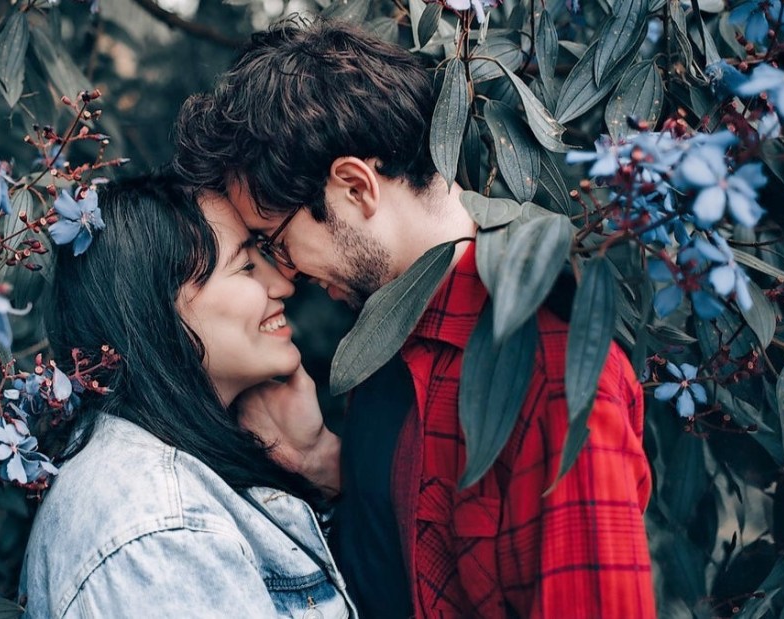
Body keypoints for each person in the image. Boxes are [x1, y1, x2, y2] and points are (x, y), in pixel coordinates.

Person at [173, 20, 656, 619]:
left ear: (354, 187)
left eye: (274, 242)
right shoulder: (386, 344)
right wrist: (325, 464)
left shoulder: (551, 372)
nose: (286, 276)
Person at [21, 176, 353, 617]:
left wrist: (316, 462)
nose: (283, 285)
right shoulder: (158, 532)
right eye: (246, 266)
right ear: (158, 309)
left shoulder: (174, 480)